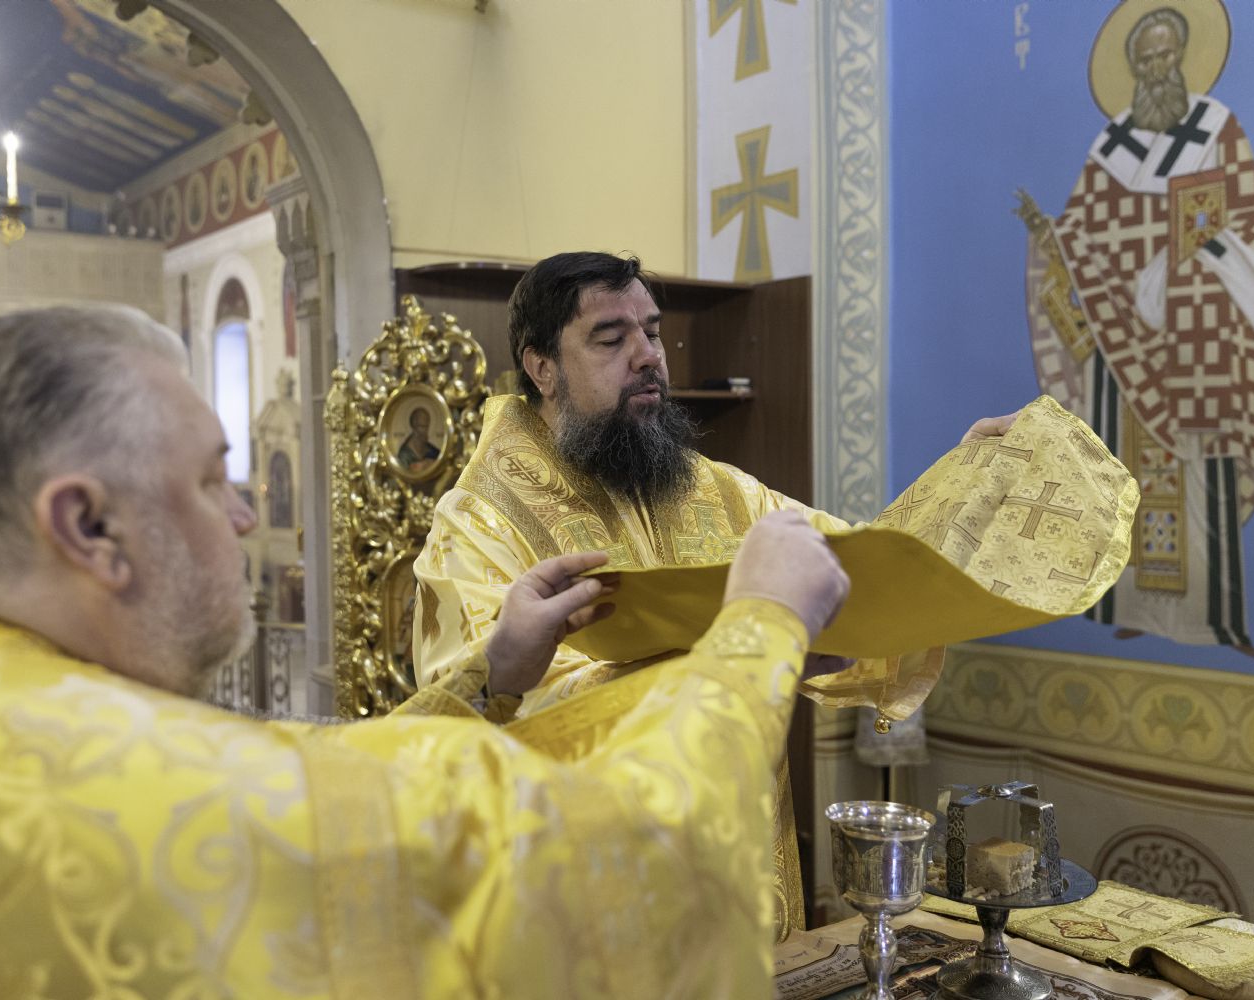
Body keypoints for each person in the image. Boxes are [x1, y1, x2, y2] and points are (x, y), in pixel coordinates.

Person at [0, 303, 852, 998]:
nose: (246, 514)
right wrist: (763, 623)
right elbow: (625, 855)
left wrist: (489, 678)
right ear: (89, 526)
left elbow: (310, 768)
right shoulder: (117, 786)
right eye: (212, 479)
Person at [411, 250, 1016, 937]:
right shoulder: (480, 522)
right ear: (542, 367)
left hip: (735, 866)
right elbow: (488, 714)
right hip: (593, 895)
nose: (648, 355)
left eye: (652, 331)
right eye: (610, 339)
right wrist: (741, 658)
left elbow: (853, 568)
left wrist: (962, 490)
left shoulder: (716, 490)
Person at [1017, 4, 1254, 654]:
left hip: (1203, 335)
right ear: (1132, 68)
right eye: (1144, 60)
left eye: (1166, 56)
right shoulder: (1111, 147)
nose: (1156, 69)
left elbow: (1252, 221)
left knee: (1203, 466)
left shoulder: (1218, 129)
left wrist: (1187, 269)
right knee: (1129, 470)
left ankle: (1213, 617)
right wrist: (1049, 236)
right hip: (1123, 347)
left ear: (1185, 56)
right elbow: (1081, 230)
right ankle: (1136, 607)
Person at [397, 404, 441, 473]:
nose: (425, 431)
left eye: (426, 426)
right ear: (414, 427)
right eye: (422, 426)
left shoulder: (433, 451)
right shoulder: (404, 454)